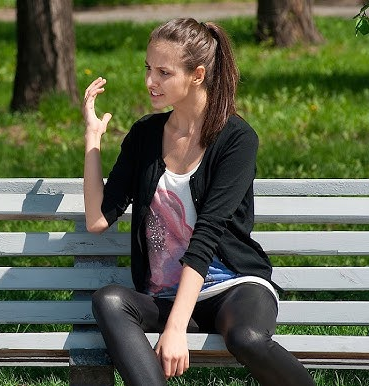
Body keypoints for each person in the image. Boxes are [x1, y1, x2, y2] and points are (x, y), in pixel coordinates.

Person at [81, 18, 315, 386]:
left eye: (163, 72)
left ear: (197, 74)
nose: (149, 81)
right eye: (147, 68)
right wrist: (93, 139)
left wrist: (174, 329)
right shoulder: (145, 135)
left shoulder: (237, 139)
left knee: (246, 338)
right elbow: (97, 219)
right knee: (109, 300)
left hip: (232, 287)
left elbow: (206, 234)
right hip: (166, 295)